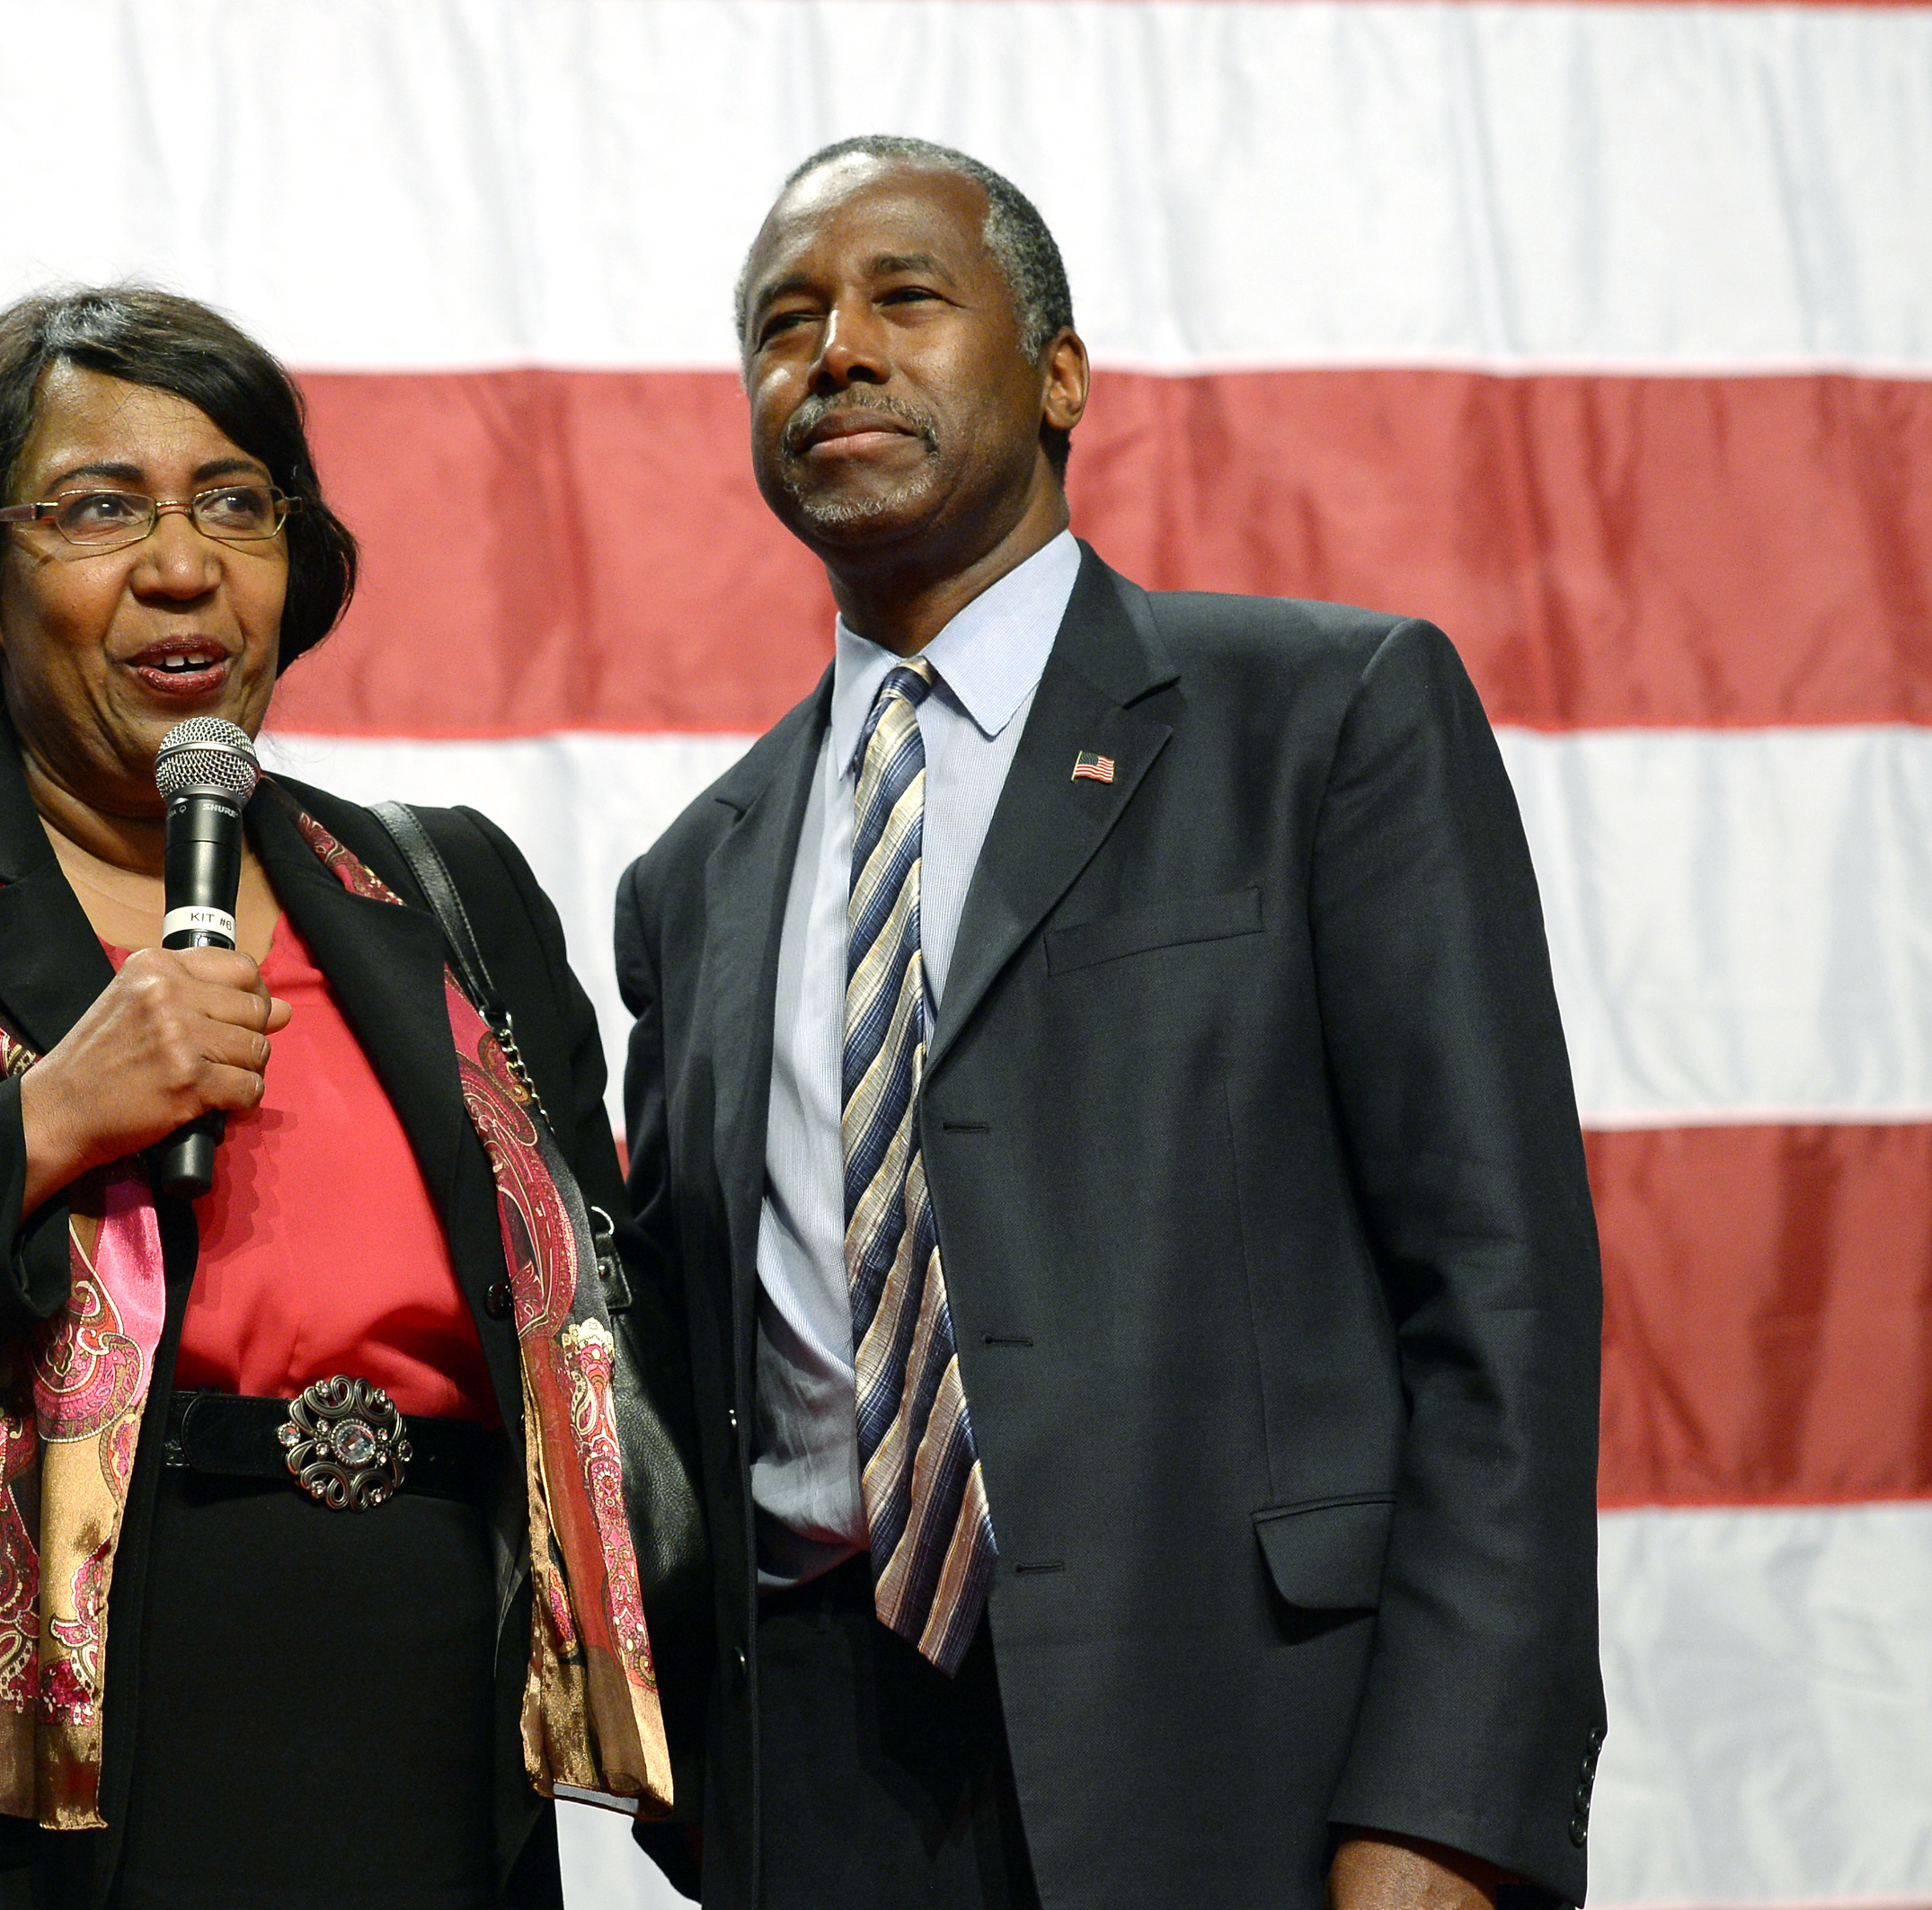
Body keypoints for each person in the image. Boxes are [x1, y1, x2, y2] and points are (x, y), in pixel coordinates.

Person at [0, 283, 679, 1909]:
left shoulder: (452, 895)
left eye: (236, 503)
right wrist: (40, 1127)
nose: (181, 563)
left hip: (408, 1791)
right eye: (99, 508)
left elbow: (624, 1353)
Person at [614, 137, 1604, 1910]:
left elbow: (1499, 1292)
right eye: (783, 321)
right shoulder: (697, 873)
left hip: (1249, 1755)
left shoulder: (1325, 720)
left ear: (1061, 373)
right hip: (819, 1790)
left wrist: (1450, 1805)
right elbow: (686, 1363)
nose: (836, 351)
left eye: (906, 297)